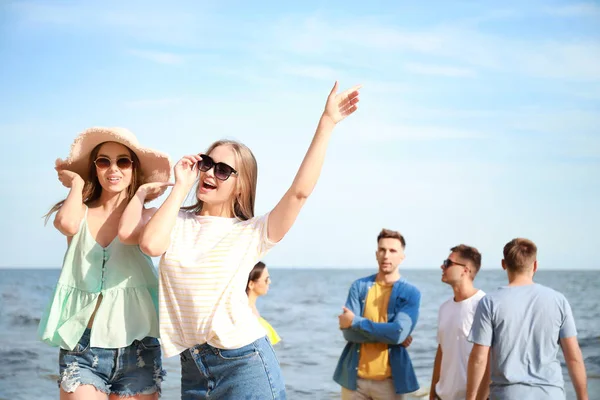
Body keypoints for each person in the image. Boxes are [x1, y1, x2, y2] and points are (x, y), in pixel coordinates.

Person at [126, 81, 361, 400]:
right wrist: (180, 187)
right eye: (207, 164)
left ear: (241, 185)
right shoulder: (175, 220)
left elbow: (299, 193)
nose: (210, 174)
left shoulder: (251, 232)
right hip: (193, 368)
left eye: (223, 170)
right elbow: (150, 246)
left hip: (244, 365)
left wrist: (327, 122)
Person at [38, 127, 172, 399]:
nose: (113, 169)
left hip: (138, 347)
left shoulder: (148, 215)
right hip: (83, 346)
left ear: (134, 168)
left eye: (123, 161)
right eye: (103, 161)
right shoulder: (80, 211)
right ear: (95, 168)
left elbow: (130, 233)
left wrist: (140, 194)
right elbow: (66, 224)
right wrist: (77, 184)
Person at [466, 238, 589, 400]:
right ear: (535, 265)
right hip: (551, 394)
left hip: (507, 395)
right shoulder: (558, 301)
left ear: (504, 264)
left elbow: (479, 359)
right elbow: (573, 357)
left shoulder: (490, 302)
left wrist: (471, 397)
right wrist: (583, 397)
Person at [333, 228, 421, 400]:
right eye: (382, 250)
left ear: (402, 256)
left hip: (389, 383)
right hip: (354, 382)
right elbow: (349, 334)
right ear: (376, 254)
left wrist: (356, 322)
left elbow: (398, 333)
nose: (386, 255)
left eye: (392, 250)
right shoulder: (359, 287)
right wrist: (389, 334)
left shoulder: (410, 293)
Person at [429, 245, 488, 400]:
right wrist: (432, 392)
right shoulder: (444, 308)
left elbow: (490, 359)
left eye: (448, 263)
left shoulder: (485, 305)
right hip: (442, 396)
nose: (442, 266)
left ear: (465, 270)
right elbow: (442, 352)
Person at [246, 261, 281, 345]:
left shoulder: (252, 309)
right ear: (251, 284)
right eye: (266, 279)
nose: (269, 282)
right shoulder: (247, 313)